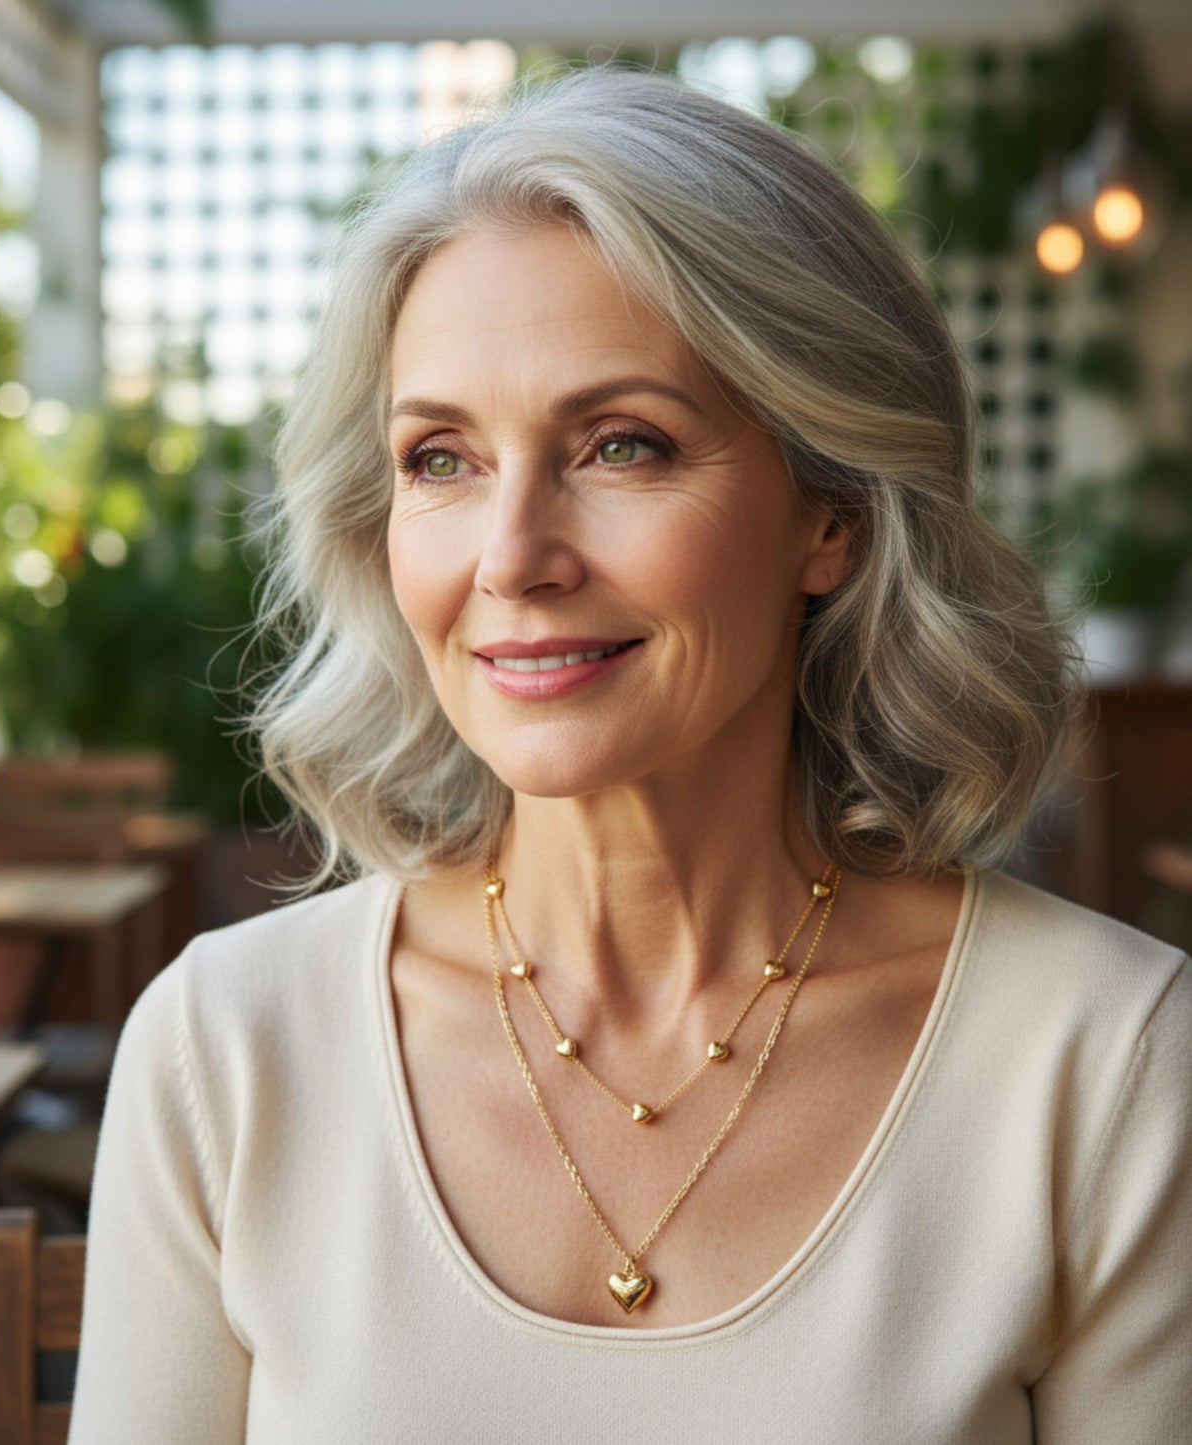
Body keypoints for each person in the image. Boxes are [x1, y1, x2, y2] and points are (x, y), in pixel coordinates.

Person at [67, 68, 1191, 1442]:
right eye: (440, 458)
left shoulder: (1103, 1058)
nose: (512, 556)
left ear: (828, 514)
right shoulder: (228, 1048)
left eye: (620, 444)